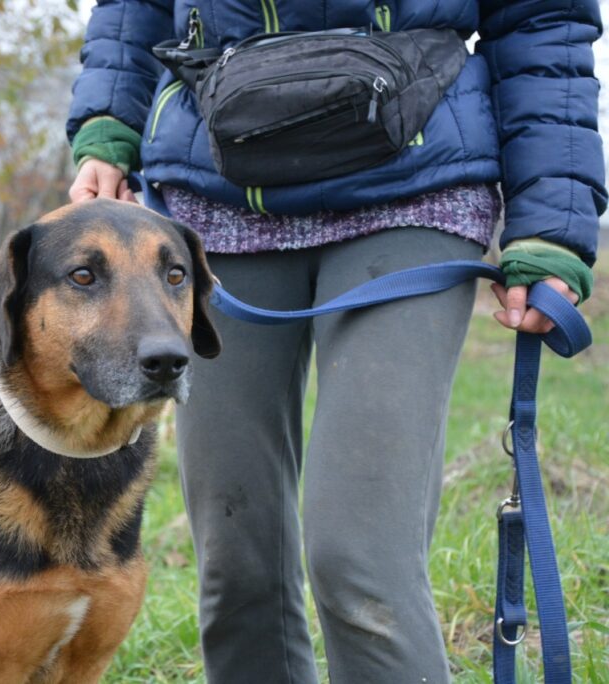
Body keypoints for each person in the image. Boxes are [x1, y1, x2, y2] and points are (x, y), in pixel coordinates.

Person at [65, 1, 603, 682]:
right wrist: (110, 120)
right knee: (238, 566)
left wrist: (552, 221)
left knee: (361, 562)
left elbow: (541, 16)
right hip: (216, 188)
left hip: (414, 181)